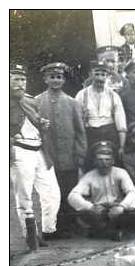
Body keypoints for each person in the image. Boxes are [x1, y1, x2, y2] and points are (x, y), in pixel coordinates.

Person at [10, 63, 62, 248]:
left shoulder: (30, 100)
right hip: (20, 150)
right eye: (15, 79)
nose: (20, 83)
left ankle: (47, 230)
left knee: (52, 193)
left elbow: (36, 120)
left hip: (40, 149)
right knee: (24, 195)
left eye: (22, 79)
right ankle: (30, 234)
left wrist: (42, 123)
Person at [34, 62, 87, 237]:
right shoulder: (36, 102)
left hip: (68, 155)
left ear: (63, 80)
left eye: (59, 77)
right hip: (47, 155)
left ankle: (68, 226)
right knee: (49, 193)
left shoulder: (72, 103)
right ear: (45, 79)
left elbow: (80, 131)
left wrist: (80, 153)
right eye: (52, 77)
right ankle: (51, 228)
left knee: (67, 190)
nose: (55, 80)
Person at [68, 140, 135, 240]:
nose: (104, 163)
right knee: (85, 214)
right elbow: (73, 196)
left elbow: (132, 192)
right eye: (100, 160)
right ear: (95, 161)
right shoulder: (89, 176)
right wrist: (91, 207)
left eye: (107, 159)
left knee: (133, 213)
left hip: (116, 209)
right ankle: (111, 232)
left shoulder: (121, 172)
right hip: (99, 211)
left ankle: (105, 232)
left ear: (113, 160)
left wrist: (121, 207)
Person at [76, 60, 127, 163]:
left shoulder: (113, 96)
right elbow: (77, 122)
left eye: (103, 74)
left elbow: (121, 124)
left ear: (107, 76)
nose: (100, 78)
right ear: (91, 75)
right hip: (90, 135)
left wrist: (121, 146)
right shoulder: (82, 95)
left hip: (109, 135)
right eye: (97, 74)